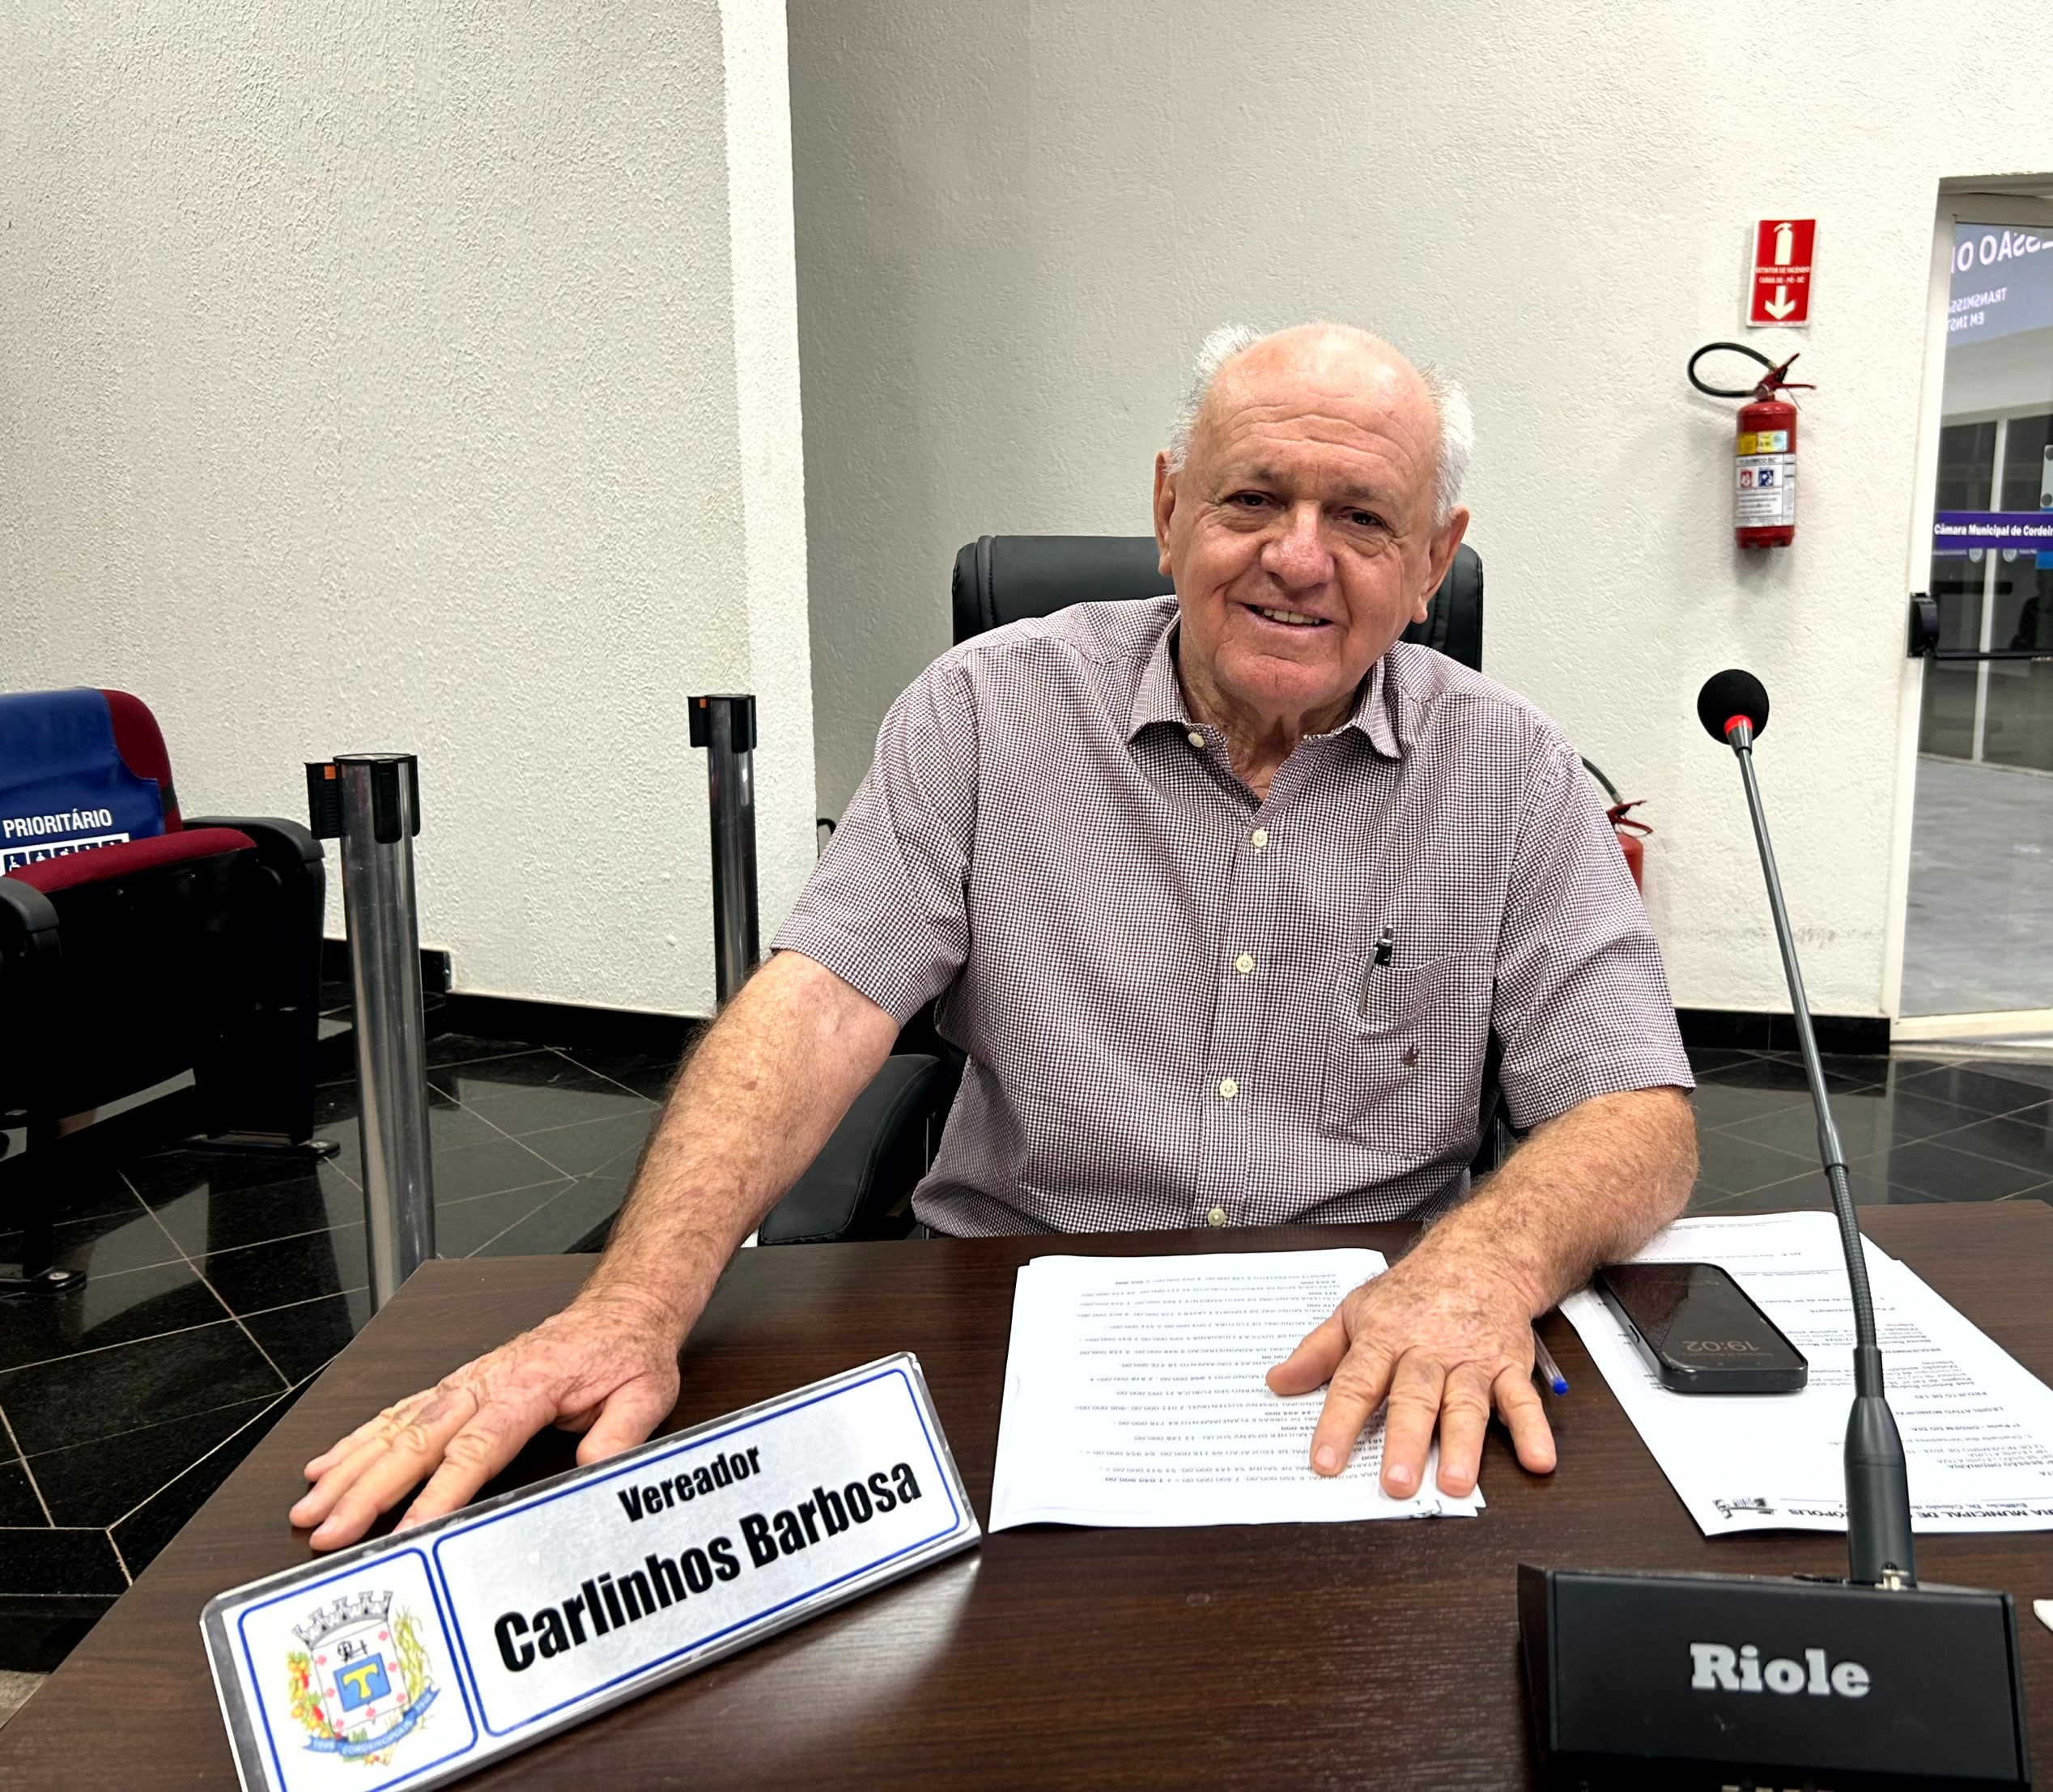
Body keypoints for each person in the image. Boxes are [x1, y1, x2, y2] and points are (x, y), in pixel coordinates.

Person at [292, 322, 1698, 1552]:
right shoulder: (986, 710)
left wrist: (1481, 1263)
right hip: (1008, 1328)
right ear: (1170, 509)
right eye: (1252, 498)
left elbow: (1636, 1110)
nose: (1296, 556)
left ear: (1435, 558)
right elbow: (818, 1004)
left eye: (1363, 518)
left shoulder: (1512, 771)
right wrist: (632, 1305)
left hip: (1375, 1344)